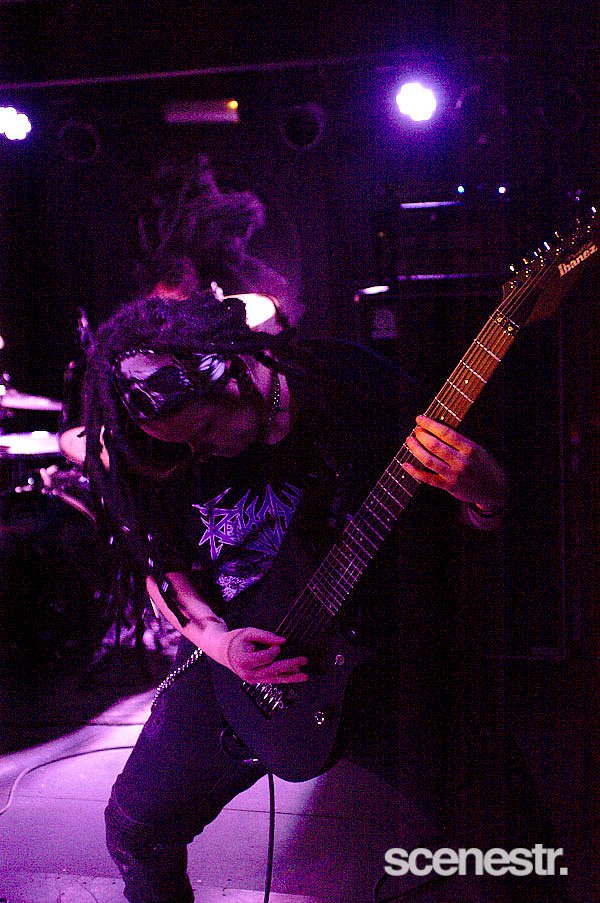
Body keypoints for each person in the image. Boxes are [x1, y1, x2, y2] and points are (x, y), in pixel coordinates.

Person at [82, 288, 506, 903]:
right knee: (135, 829)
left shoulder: (349, 382)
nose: (199, 452)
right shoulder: (153, 447)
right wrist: (221, 644)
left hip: (379, 656)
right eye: (183, 445)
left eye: (205, 429)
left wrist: (487, 493)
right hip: (238, 666)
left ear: (232, 366)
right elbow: (162, 570)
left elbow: (472, 529)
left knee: (510, 837)